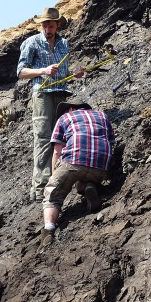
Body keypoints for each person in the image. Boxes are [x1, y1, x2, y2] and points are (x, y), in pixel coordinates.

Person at [17, 7, 84, 203]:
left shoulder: (64, 43)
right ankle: (39, 189)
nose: (47, 29)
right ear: (41, 26)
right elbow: (21, 72)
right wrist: (43, 71)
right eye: (44, 25)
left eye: (51, 25)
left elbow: (63, 70)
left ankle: (58, 181)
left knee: (60, 138)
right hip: (43, 95)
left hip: (61, 94)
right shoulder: (31, 43)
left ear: (58, 25)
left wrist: (75, 74)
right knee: (44, 137)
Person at [39, 99, 115, 250]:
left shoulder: (65, 118)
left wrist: (55, 177)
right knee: (84, 173)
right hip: (102, 166)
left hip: (73, 162)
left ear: (71, 108)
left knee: (53, 194)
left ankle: (48, 230)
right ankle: (88, 186)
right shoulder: (102, 115)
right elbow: (111, 142)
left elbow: (57, 151)